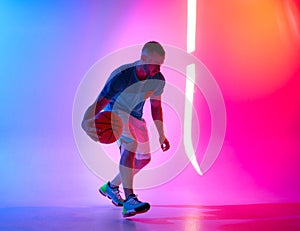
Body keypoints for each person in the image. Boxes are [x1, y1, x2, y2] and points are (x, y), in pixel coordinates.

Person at [81, 41, 170, 217]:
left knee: (144, 159)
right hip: (116, 112)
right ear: (143, 58)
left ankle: (111, 187)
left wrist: (161, 133)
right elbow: (101, 101)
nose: (157, 70)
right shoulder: (122, 76)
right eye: (153, 65)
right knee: (130, 145)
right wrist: (85, 120)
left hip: (136, 117)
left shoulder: (158, 79)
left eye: (159, 65)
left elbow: (156, 107)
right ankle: (130, 200)